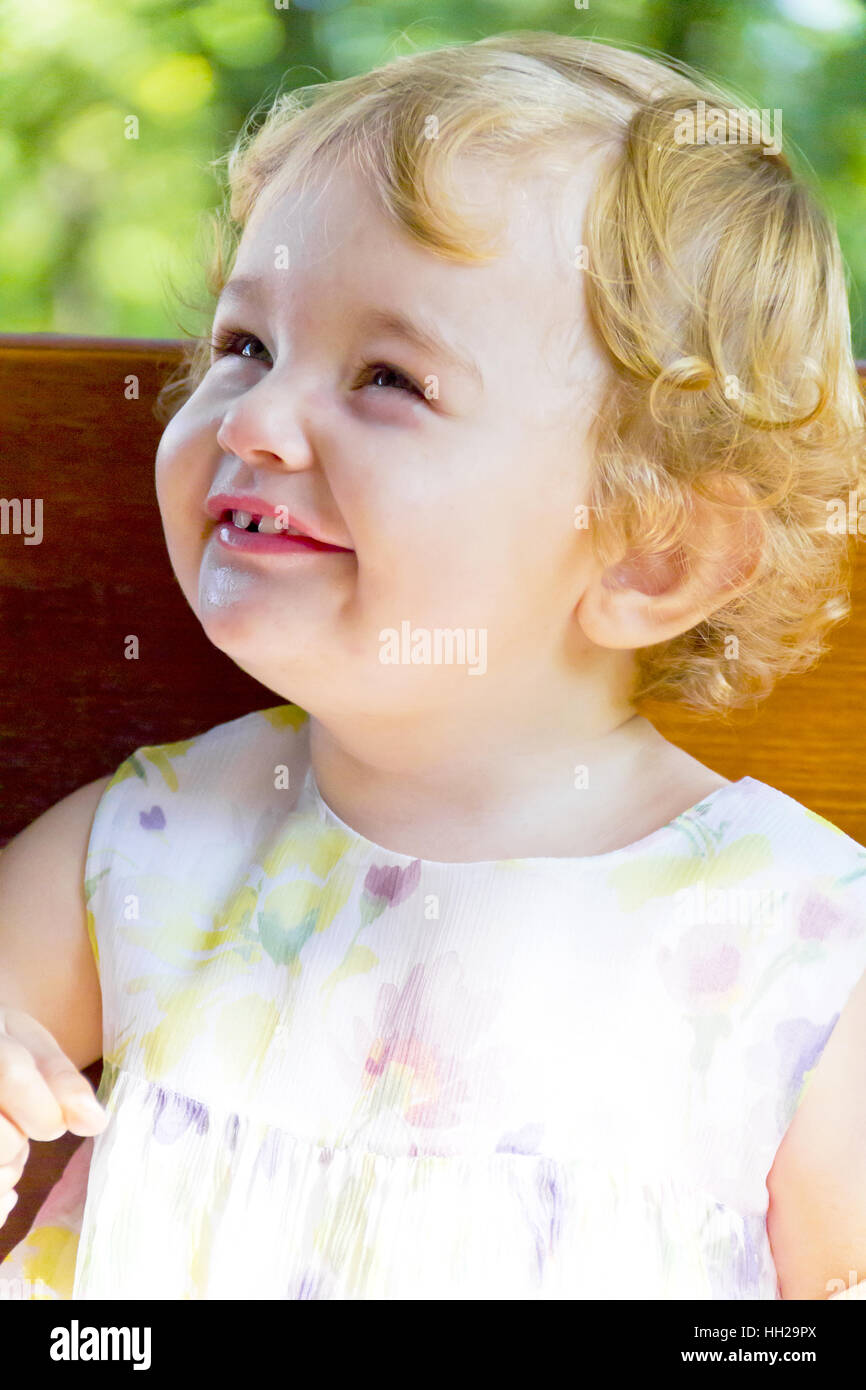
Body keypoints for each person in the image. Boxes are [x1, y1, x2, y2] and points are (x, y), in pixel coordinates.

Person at [2, 30, 865, 1300]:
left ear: (650, 554)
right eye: (245, 345)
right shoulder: (142, 851)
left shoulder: (795, 949)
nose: (248, 419)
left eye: (388, 377)